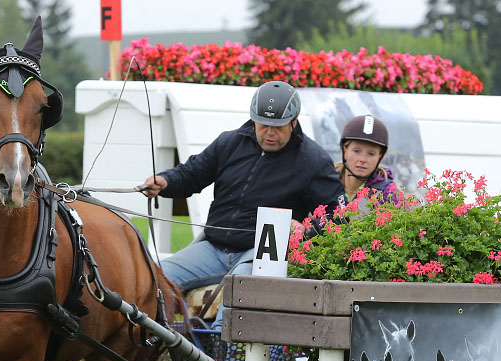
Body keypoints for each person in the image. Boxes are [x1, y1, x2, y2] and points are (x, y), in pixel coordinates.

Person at [140, 80, 344, 326]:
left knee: (240, 291)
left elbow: (337, 216)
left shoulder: (314, 160)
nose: (269, 132)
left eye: (277, 126)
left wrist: (305, 231)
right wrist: (165, 181)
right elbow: (193, 173)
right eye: (263, 124)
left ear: (294, 122)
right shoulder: (229, 142)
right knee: (150, 279)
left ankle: (220, 353)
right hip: (212, 247)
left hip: (262, 252)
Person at [337, 114, 403, 207]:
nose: (363, 159)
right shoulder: (326, 182)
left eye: (371, 154)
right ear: (345, 150)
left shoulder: (389, 194)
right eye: (356, 151)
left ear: (379, 156)